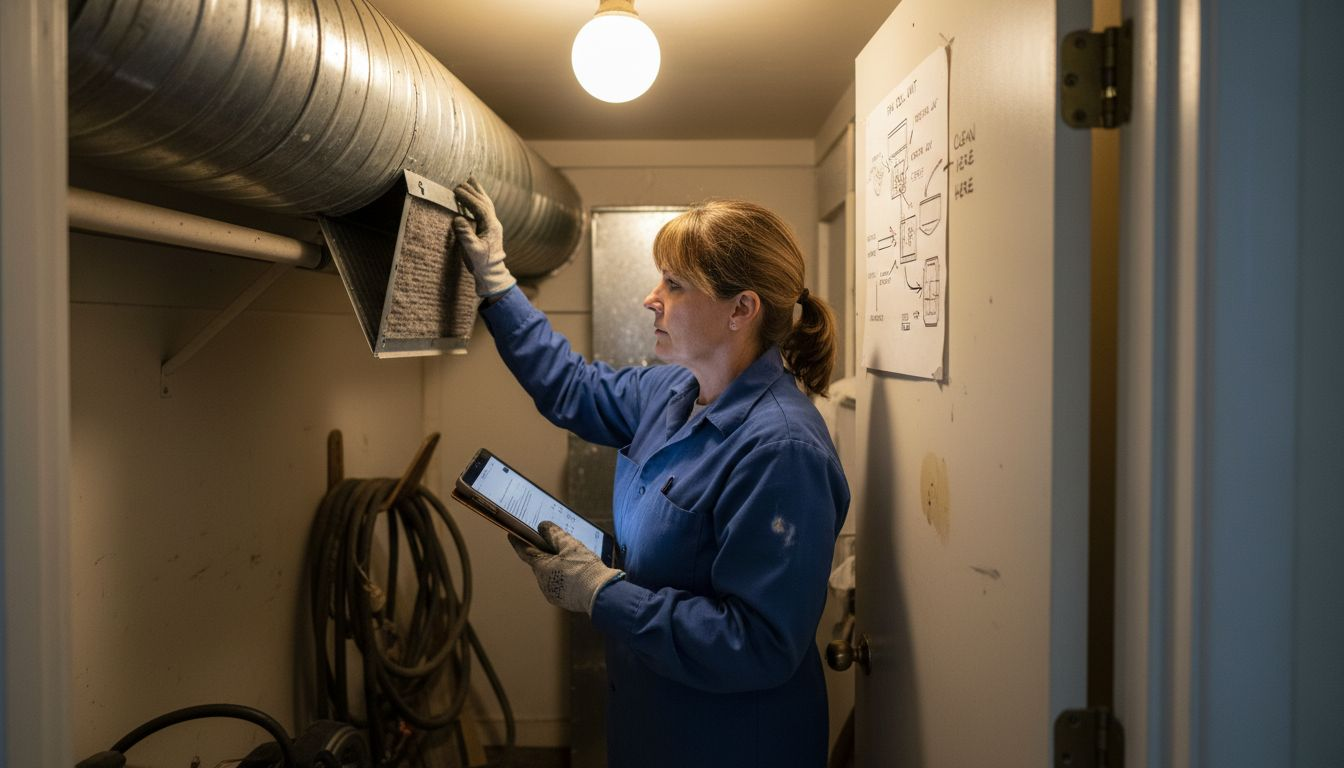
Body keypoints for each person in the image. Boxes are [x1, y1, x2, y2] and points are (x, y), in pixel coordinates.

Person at [451, 178, 850, 768]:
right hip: (652, 719)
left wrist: (603, 592)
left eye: (675, 283)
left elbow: (759, 644)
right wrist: (497, 283)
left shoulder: (782, 450)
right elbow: (572, 387)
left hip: (730, 741)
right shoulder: (672, 391)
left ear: (741, 309)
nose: (651, 297)